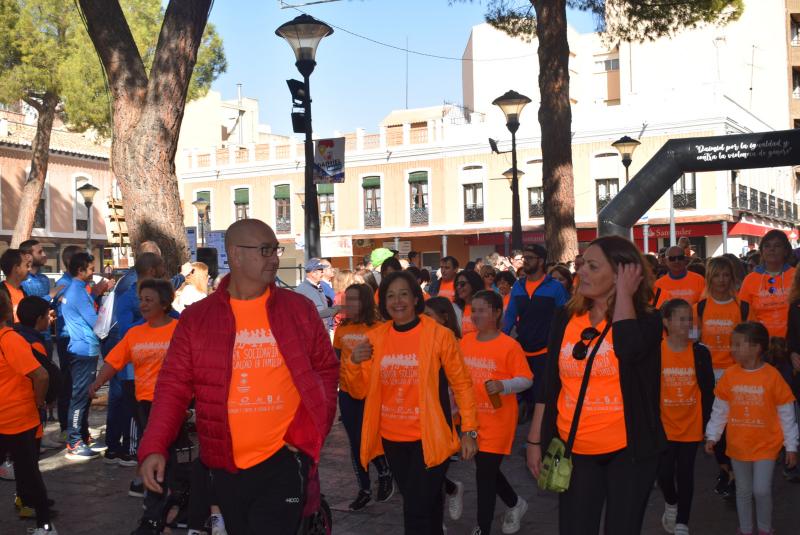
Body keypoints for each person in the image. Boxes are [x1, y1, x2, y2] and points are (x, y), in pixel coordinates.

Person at [138, 219, 339, 535]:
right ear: (235, 254)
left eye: (275, 249)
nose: (274, 258)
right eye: (265, 250)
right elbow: (173, 386)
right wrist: (154, 446)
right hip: (221, 465)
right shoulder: (197, 319)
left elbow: (326, 371)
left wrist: (308, 433)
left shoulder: (298, 310)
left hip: (283, 462)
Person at [526, 235, 666, 534]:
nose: (581, 272)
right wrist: (535, 440)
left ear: (621, 273)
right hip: (574, 447)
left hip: (628, 452)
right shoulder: (566, 317)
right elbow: (550, 384)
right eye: (581, 265)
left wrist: (625, 296)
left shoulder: (648, 321)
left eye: (592, 266)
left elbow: (628, 348)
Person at [350, 270, 478, 534]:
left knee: (415, 512)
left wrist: (469, 430)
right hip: (393, 439)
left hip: (430, 438)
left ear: (416, 299)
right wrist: (355, 363)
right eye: (391, 296)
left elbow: (462, 384)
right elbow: (362, 390)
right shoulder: (376, 338)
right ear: (383, 303)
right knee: (426, 507)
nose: (398, 301)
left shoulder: (439, 335)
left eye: (404, 294)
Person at [89, 279, 179, 533]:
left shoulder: (179, 329)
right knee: (153, 456)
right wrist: (97, 382)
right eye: (141, 300)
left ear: (164, 303)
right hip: (146, 405)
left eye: (149, 300)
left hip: (175, 404)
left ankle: (168, 510)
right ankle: (157, 514)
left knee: (172, 460)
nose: (143, 305)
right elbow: (114, 361)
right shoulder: (135, 333)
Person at [705, 322, 798, 535]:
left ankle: (765, 528)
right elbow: (720, 410)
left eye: (738, 345)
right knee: (744, 491)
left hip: (766, 445)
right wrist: (713, 435)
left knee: (761, 489)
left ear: (757, 348)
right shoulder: (729, 375)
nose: (732, 349)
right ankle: (745, 529)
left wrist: (791, 445)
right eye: (732, 344)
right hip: (738, 445)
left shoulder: (772, 376)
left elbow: (787, 414)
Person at [460, 290, 531, 535]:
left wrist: (504, 386)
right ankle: (515, 503)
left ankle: (482, 527)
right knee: (487, 471)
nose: (475, 315)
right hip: (471, 420)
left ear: (497, 312)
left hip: (498, 420)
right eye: (473, 310)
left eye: (481, 310)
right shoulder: (466, 341)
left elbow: (526, 379)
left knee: (485, 475)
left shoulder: (509, 345)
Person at [103, 251, 167, 477]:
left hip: (152, 366)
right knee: (134, 410)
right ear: (151, 271)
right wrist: (152, 319)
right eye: (160, 266)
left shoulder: (151, 295)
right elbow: (126, 330)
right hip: (133, 365)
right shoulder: (129, 297)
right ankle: (130, 450)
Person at [333, 283, 393, 510]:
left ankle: (385, 471)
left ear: (366, 301)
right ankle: (365, 489)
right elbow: (335, 361)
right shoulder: (342, 329)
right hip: (348, 394)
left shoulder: (380, 328)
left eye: (354, 299)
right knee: (355, 442)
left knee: (372, 438)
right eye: (347, 299)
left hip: (373, 394)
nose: (349, 304)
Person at [657, 299, 714, 535]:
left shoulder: (700, 352)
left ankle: (682, 522)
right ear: (666, 322)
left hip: (691, 425)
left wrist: (709, 426)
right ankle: (671, 502)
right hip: (664, 426)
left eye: (689, 318)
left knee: (686, 473)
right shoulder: (656, 351)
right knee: (664, 474)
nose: (686, 323)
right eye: (680, 318)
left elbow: (708, 390)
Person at [0, 292, 56, 534]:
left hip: (19, 419)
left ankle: (45, 526)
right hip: (7, 418)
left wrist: (38, 401)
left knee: (30, 475)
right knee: (28, 475)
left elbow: (41, 375)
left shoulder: (10, 340)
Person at [695, 256, 749, 497]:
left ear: (732, 278)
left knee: (734, 424)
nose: (722, 280)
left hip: (736, 372)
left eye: (726, 275)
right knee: (714, 425)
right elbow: (693, 341)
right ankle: (725, 469)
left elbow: (751, 339)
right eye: (717, 275)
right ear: (710, 278)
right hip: (709, 375)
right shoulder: (700, 307)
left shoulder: (742, 306)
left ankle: (734, 472)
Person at [502, 244, 569, 422]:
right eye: (525, 258)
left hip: (546, 352)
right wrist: (501, 338)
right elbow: (510, 315)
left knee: (544, 397)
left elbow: (565, 319)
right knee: (527, 395)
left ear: (541, 261)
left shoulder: (555, 287)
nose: (526, 262)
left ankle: (540, 438)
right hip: (522, 350)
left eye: (530, 258)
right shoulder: (518, 286)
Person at [61, 252, 101, 461]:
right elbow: (96, 322)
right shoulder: (77, 291)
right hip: (84, 349)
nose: (93, 271)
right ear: (80, 270)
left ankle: (81, 437)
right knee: (80, 396)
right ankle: (75, 442)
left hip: (82, 348)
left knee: (83, 395)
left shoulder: (74, 289)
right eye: (91, 268)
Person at [738, 230, 796, 339]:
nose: (771, 249)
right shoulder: (750, 279)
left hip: (792, 344)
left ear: (785, 251)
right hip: (759, 344)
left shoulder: (796, 276)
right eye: (767, 246)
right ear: (762, 251)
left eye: (777, 245)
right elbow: (743, 314)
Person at [52, 245, 82, 437]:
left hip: (76, 338)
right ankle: (66, 428)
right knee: (69, 385)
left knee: (76, 385)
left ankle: (75, 428)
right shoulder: (65, 284)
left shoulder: (75, 283)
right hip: (68, 339)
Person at [295, 258, 341, 331]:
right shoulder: (307, 289)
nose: (323, 273)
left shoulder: (316, 286)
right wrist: (338, 308)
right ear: (313, 273)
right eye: (321, 271)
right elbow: (319, 313)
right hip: (312, 331)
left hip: (320, 329)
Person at [0, 249, 31, 323]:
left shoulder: (24, 292)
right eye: (27, 265)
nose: (29, 269)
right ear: (16, 268)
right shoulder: (1, 293)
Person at [454, 270, 483, 336]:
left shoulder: (484, 308)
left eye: (462, 284)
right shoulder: (455, 308)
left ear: (473, 284)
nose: (458, 287)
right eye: (457, 284)